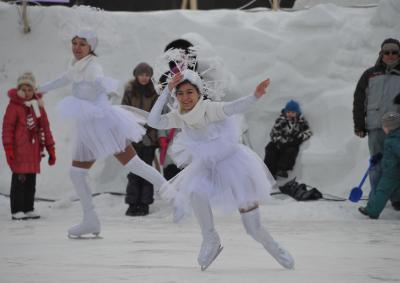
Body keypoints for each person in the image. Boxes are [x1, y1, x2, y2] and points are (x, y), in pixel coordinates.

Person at [148, 70, 294, 271]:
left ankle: (275, 248)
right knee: (195, 190)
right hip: (208, 169)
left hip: (236, 168)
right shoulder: (179, 116)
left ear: (199, 93)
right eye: (180, 94)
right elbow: (153, 121)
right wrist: (167, 90)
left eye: (190, 92)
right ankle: (210, 238)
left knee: (252, 228)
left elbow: (234, 107)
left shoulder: (209, 109)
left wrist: (255, 96)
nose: (185, 98)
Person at [37, 30, 166, 237]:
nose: (77, 48)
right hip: (89, 126)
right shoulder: (77, 66)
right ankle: (90, 220)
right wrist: (40, 89)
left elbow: (98, 79)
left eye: (82, 44)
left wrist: (103, 86)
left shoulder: (92, 67)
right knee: (77, 173)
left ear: (91, 48)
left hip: (103, 124)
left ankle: (173, 193)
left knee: (133, 164)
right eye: (75, 43)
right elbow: (63, 79)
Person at [352, 38, 400, 208]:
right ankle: (376, 198)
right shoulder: (370, 74)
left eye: (394, 52)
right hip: (376, 126)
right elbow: (359, 99)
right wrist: (359, 124)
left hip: (398, 128)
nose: (391, 55)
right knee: (377, 164)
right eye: (387, 52)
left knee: (397, 164)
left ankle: (398, 199)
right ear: (381, 54)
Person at [2, 72, 56, 220]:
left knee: (31, 181)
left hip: (34, 151)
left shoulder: (37, 107)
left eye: (29, 89)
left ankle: (28, 208)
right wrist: (8, 148)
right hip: (19, 150)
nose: (26, 93)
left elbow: (45, 127)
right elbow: (7, 128)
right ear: (18, 89)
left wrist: (51, 149)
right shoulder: (14, 106)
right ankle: (17, 210)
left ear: (34, 90)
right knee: (20, 181)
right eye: (23, 89)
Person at [358, 112, 400, 220]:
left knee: (381, 191)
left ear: (392, 127)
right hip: (395, 173)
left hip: (391, 173)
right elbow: (391, 153)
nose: (383, 128)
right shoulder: (393, 138)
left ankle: (372, 210)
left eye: (384, 126)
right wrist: (379, 156)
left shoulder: (396, 140)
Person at [121, 62, 164, 216]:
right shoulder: (130, 91)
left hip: (149, 138)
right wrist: (133, 131)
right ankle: (133, 203)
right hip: (132, 137)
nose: (144, 77)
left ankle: (144, 203)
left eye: (147, 74)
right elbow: (124, 111)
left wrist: (146, 132)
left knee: (146, 170)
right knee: (133, 170)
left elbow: (156, 114)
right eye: (141, 74)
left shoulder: (154, 93)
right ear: (136, 75)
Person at [264, 99, 312, 179]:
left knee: (291, 151)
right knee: (270, 147)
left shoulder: (300, 122)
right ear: (286, 112)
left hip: (291, 143)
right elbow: (273, 132)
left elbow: (308, 132)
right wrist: (279, 141)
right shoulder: (281, 120)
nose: (290, 114)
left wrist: (299, 137)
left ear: (297, 113)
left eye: (293, 112)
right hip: (280, 143)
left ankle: (282, 169)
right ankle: (269, 171)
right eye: (288, 112)